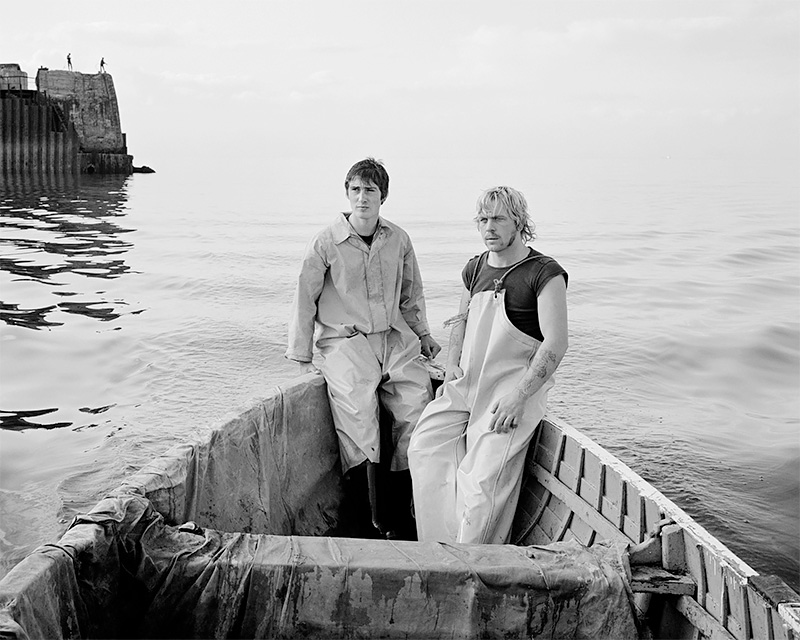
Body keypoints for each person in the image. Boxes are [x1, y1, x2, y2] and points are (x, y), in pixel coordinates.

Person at [286, 157, 441, 539]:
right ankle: (370, 519)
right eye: (355, 189)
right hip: (345, 342)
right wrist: (302, 355)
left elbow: (410, 294)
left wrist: (423, 335)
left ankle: (405, 512)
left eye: (370, 189)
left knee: (417, 405)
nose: (362, 197)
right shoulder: (326, 242)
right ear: (347, 194)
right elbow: (304, 299)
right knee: (359, 418)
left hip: (393, 338)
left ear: (382, 195)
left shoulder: (399, 239)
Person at [408, 185, 568, 545]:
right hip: (465, 384)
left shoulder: (544, 273)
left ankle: (475, 562)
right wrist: (451, 365)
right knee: (423, 449)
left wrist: (520, 396)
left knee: (481, 486)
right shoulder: (474, 268)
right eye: (482, 219)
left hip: (508, 395)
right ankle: (439, 552)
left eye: (497, 218)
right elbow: (460, 322)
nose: (488, 227)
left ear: (518, 221)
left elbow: (556, 344)